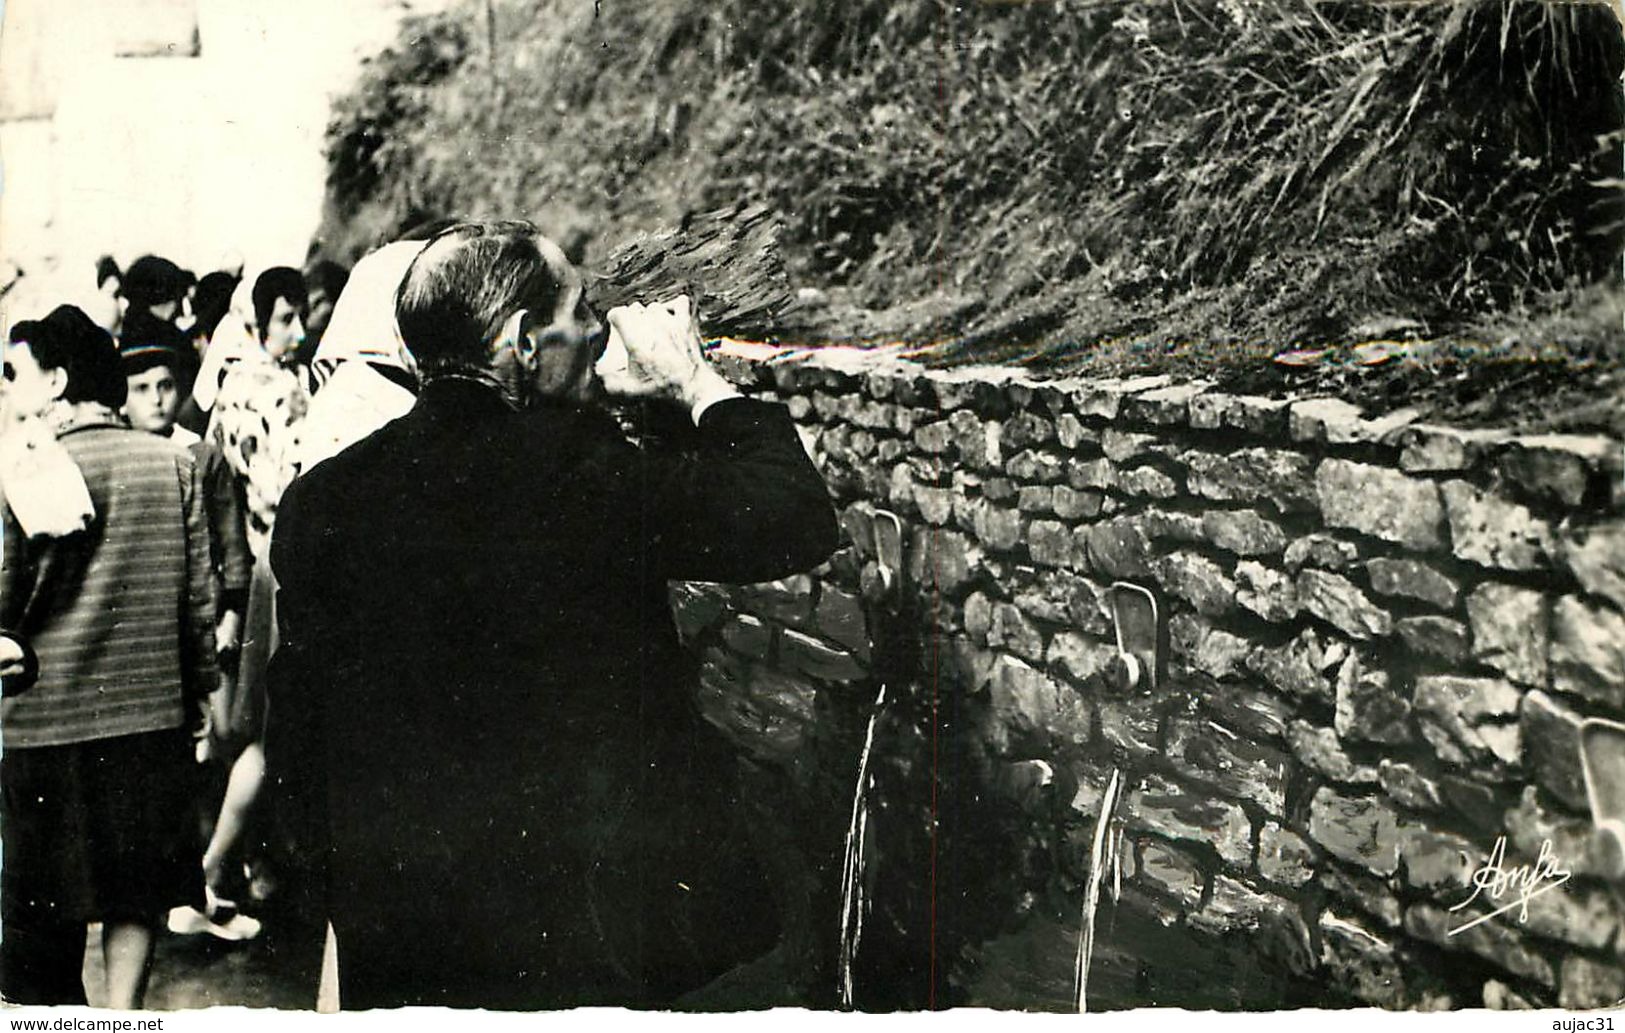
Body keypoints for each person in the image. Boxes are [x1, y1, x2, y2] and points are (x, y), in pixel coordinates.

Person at [265, 220, 838, 1009]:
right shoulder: (575, 476)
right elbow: (789, 516)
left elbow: (294, 743)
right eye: (581, 312)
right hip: (573, 939)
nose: (599, 329)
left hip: (399, 936)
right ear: (524, 341)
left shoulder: (320, 502)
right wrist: (697, 387)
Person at [0, 305, 216, 1007]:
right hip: (150, 716)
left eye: (17, 374)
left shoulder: (26, 468)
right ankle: (122, 1017)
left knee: (41, 911)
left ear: (58, 381)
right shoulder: (172, 463)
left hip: (43, 724)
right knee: (137, 892)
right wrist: (202, 692)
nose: (10, 389)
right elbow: (197, 598)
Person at [119, 328, 262, 941]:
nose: (156, 399)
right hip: (144, 629)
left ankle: (197, 886)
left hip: (198, 626)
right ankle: (170, 891)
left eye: (167, 386)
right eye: (142, 388)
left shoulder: (198, 454)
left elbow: (231, 545)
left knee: (207, 749)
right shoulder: (122, 451)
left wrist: (230, 614)